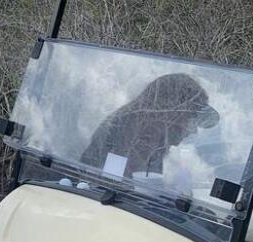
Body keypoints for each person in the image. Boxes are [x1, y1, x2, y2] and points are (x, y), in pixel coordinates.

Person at [80, 72, 219, 176]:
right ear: (169, 111)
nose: (193, 130)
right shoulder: (135, 134)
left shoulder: (152, 135)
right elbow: (121, 185)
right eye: (191, 116)